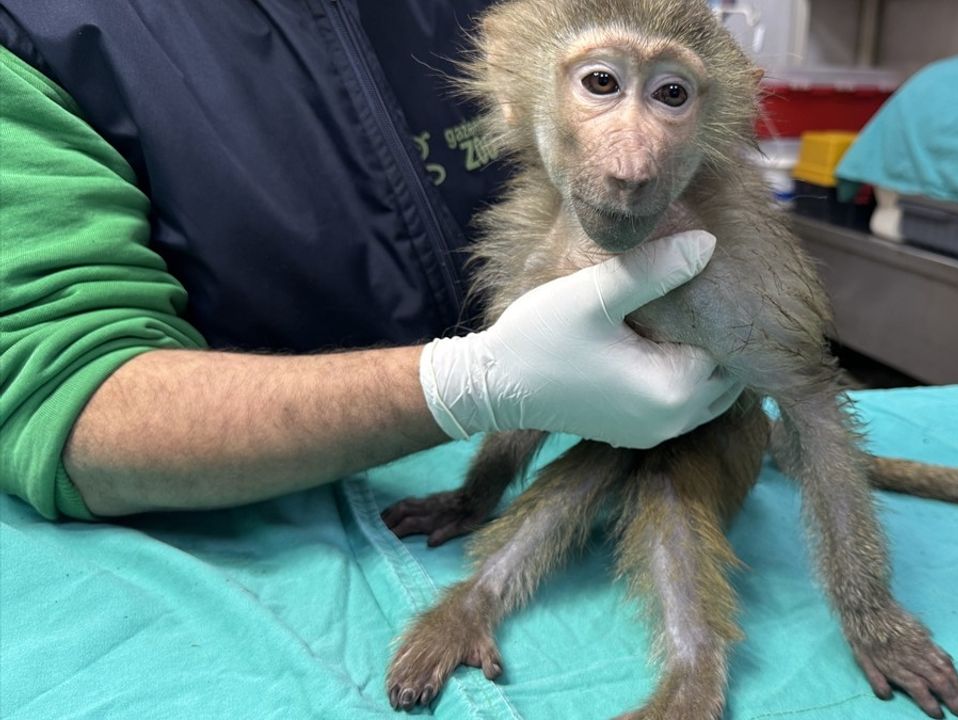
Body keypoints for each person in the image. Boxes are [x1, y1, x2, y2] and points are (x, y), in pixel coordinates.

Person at [0, 1, 740, 520]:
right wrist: (467, 385)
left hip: (578, 470)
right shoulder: (40, 28)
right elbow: (64, 400)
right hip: (245, 540)